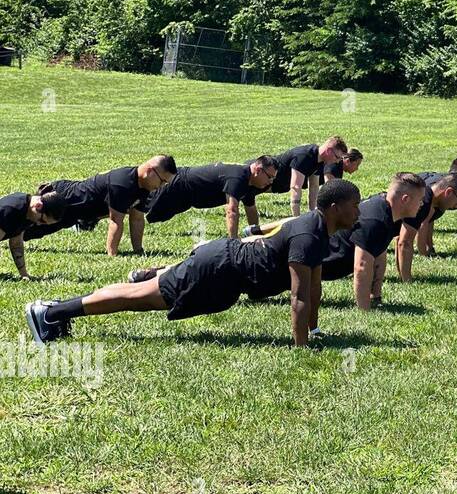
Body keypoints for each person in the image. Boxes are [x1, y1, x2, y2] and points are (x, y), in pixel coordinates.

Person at [24, 180, 363, 346]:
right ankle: (50, 314)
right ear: (334, 208)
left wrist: (314, 329)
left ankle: (56, 310)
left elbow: (314, 286)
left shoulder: (318, 229)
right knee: (139, 298)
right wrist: (301, 347)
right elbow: (299, 296)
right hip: (217, 269)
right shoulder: (310, 235)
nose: (358, 212)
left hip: (222, 264)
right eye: (354, 205)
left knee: (139, 291)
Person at [25, 156, 177, 256]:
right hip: (61, 199)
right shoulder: (123, 183)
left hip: (75, 214)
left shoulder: (145, 188)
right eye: (162, 181)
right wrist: (112, 255)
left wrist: (138, 251)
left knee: (30, 233)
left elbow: (137, 218)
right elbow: (115, 221)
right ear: (149, 171)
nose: (162, 186)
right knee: (22, 225)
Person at [318, 173, 428, 308]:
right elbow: (362, 266)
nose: (422, 204)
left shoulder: (387, 211)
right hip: (313, 265)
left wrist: (376, 296)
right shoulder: (375, 221)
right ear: (405, 199)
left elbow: (378, 253)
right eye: (420, 200)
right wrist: (365, 311)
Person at [145, 157, 278, 238]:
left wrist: (255, 233)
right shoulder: (239, 177)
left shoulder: (250, 184)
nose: (270, 182)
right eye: (270, 177)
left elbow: (250, 209)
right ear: (258, 170)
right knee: (139, 206)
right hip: (177, 186)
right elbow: (232, 210)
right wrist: (234, 240)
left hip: (188, 197)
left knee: (152, 213)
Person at [242, 137, 348, 224]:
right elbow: (295, 188)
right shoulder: (305, 156)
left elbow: (314, 187)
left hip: (271, 185)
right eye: (337, 157)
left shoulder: (320, 160)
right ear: (328, 150)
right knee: (230, 198)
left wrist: (313, 213)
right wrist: (297, 220)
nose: (338, 161)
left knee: (248, 206)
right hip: (256, 177)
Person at [398, 171, 457, 271]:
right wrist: (407, 280)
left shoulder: (429, 200)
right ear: (448, 192)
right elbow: (404, 242)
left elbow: (399, 239)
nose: (456, 205)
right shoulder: (423, 202)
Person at [0, 190, 67, 279]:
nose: (39, 224)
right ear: (38, 206)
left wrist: (24, 275)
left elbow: (16, 244)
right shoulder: (11, 210)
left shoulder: (28, 212)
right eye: (41, 220)